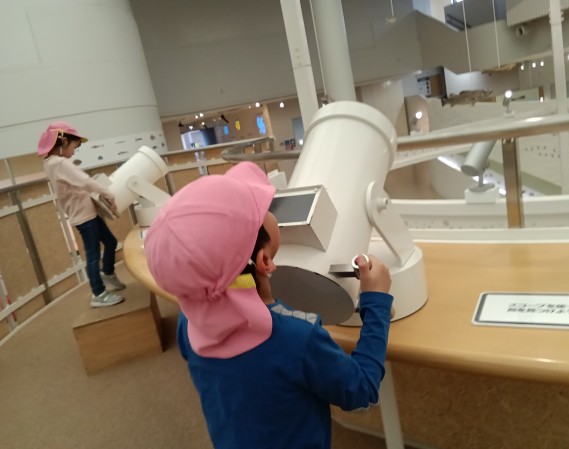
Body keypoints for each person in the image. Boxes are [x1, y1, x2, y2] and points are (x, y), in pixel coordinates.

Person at [144, 162, 393, 449]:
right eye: (265, 210)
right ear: (264, 261)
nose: (272, 211)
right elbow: (362, 392)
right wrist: (377, 299)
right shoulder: (298, 338)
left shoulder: (186, 325)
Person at [37, 121, 125, 308]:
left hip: (87, 213)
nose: (74, 151)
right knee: (93, 255)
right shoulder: (59, 163)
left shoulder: (51, 162)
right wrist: (108, 194)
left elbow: (79, 183)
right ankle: (98, 294)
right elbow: (85, 182)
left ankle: (108, 273)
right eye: (75, 147)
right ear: (63, 142)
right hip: (84, 217)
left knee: (110, 242)